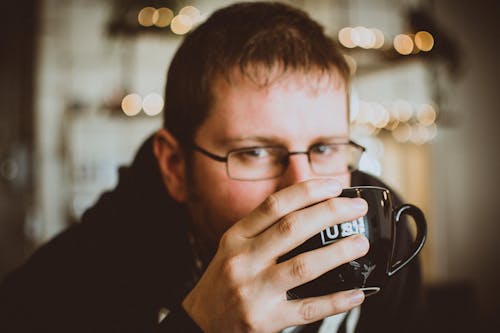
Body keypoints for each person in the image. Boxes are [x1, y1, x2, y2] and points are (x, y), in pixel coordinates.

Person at [0, 2, 422, 332]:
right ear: (174, 167)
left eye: (325, 148)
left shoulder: (386, 234)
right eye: (254, 152)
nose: (302, 188)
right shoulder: (78, 277)